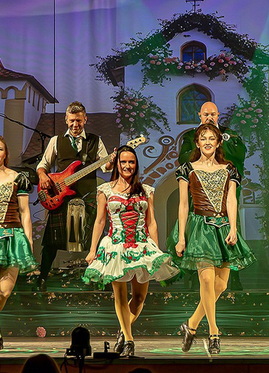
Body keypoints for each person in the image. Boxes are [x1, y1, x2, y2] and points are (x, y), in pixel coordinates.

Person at [83, 145, 179, 357]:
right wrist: (92, 250)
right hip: (116, 246)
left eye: (131, 162)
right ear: (117, 164)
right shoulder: (105, 190)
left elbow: (151, 222)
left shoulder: (146, 190)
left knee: (139, 298)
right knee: (119, 295)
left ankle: (122, 331)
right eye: (123, 162)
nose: (127, 166)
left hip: (141, 245)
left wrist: (156, 249)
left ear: (136, 165)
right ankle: (129, 339)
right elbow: (99, 221)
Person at [168, 123, 256, 355]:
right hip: (199, 228)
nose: (207, 142)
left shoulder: (229, 169)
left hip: (223, 227)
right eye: (203, 138)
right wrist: (181, 237)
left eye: (212, 138)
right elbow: (183, 204)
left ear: (218, 143)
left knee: (221, 285)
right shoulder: (187, 169)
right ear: (197, 143)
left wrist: (234, 228)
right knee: (206, 281)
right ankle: (214, 333)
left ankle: (191, 324)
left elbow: (232, 201)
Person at [36, 101, 113, 291]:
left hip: (88, 194)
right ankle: (41, 280)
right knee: (52, 241)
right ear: (66, 120)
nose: (75, 124)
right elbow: (42, 165)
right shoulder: (56, 141)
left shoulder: (95, 140)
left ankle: (100, 280)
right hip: (61, 195)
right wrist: (43, 176)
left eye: (79, 120)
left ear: (85, 119)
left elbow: (106, 167)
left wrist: (111, 161)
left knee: (95, 238)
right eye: (71, 120)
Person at [178, 101, 247, 291]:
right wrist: (203, 152)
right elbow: (183, 158)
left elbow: (240, 155)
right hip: (199, 195)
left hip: (224, 192)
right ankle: (195, 276)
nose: (209, 117)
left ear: (218, 116)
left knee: (231, 231)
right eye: (206, 114)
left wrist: (220, 147)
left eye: (213, 114)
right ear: (199, 115)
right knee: (197, 236)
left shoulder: (229, 135)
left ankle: (234, 277)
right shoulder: (190, 135)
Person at [0, 136, 38, 350]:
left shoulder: (18, 178)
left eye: (0, 149)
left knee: (4, 292)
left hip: (12, 238)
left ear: (6, 153)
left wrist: (29, 241)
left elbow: (25, 212)